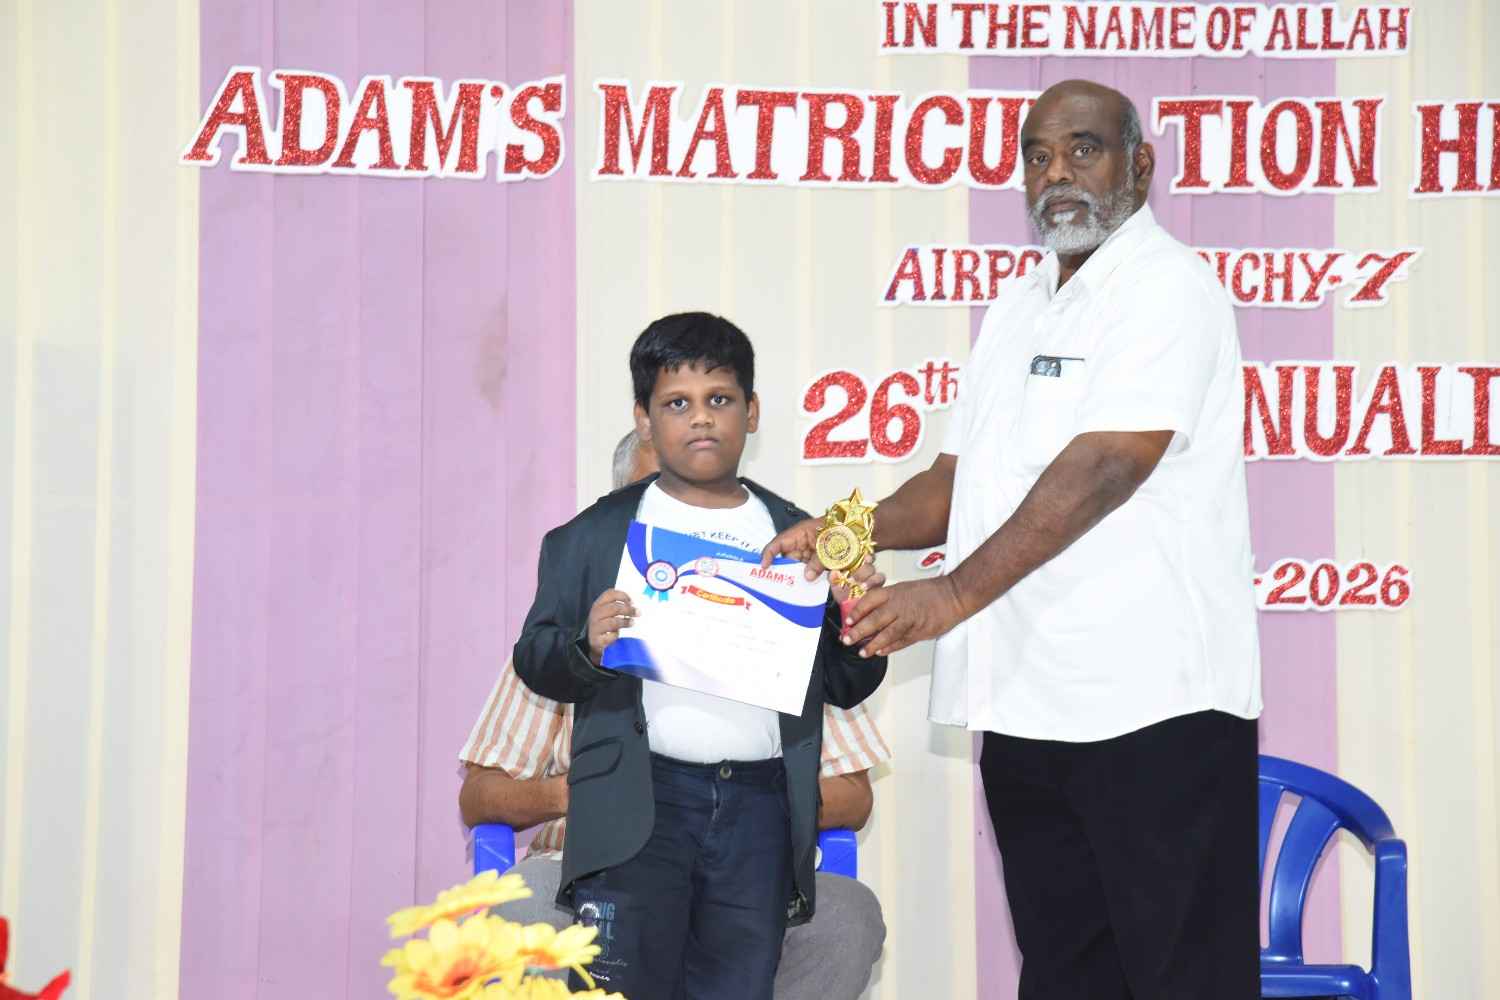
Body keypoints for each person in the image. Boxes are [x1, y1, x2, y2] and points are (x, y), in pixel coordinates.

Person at [764, 80, 1263, 999]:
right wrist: (844, 531)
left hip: (1154, 707)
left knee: (1180, 978)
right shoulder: (1018, 304)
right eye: (1038, 155)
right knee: (1066, 974)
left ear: (1140, 165)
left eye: (1084, 149)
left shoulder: (1168, 288)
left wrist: (950, 594)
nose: (1057, 172)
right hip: (1030, 707)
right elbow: (958, 480)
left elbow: (1108, 462)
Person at [513, 314, 888, 999]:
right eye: (676, 403)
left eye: (719, 399)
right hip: (636, 805)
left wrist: (856, 612)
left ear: (752, 411)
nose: (701, 418)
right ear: (644, 419)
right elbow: (535, 659)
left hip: (759, 807)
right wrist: (586, 647)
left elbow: (846, 681)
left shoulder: (797, 533)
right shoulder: (590, 537)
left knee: (739, 985)